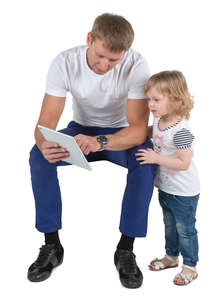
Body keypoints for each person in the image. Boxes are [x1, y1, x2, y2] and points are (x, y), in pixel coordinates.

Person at [28, 13, 156, 288]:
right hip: (80, 130)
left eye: (113, 60)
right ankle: (52, 246)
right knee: (38, 157)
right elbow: (46, 122)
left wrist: (102, 142)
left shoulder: (137, 64)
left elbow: (137, 130)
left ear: (125, 53)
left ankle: (125, 249)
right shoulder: (65, 62)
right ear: (89, 39)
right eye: (100, 56)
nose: (104, 65)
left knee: (146, 163)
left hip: (119, 135)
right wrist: (44, 142)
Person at [135, 71, 200, 286]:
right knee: (169, 226)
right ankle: (171, 257)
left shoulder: (181, 130)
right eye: (149, 99)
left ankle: (190, 267)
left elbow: (184, 163)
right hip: (165, 188)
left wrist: (156, 158)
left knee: (185, 230)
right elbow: (153, 133)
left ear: (175, 99)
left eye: (156, 99)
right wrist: (135, 132)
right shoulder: (160, 121)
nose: (150, 104)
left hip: (183, 192)